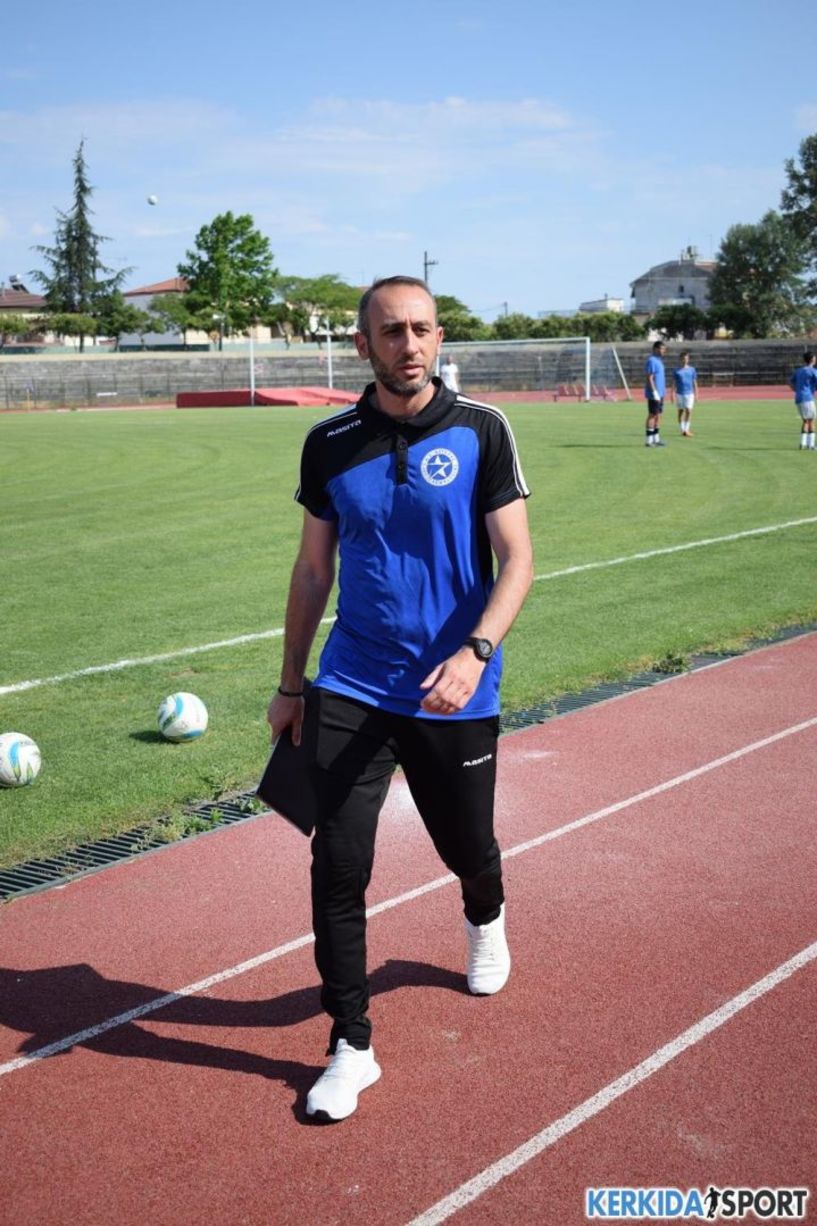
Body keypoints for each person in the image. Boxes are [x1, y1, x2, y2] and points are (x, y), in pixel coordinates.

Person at [267, 275, 533, 1122]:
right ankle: (350, 1045)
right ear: (362, 345)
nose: (408, 345)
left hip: (455, 688)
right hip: (352, 682)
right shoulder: (328, 442)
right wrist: (291, 684)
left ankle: (484, 913)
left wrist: (474, 651)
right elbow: (314, 569)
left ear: (438, 337)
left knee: (466, 845)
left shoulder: (482, 429)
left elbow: (517, 560)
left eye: (420, 329)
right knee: (337, 865)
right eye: (390, 331)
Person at [788, 350, 817, 450]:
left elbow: (790, 382)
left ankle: (802, 443)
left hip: (798, 398)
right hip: (807, 398)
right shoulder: (813, 371)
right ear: (812, 359)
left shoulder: (799, 370)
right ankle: (811, 445)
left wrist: (796, 390)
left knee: (805, 421)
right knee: (811, 420)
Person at [644, 340, 667, 446]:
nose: (664, 351)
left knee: (659, 415)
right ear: (655, 349)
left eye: (664, 349)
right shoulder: (652, 360)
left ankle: (656, 439)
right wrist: (654, 392)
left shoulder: (659, 361)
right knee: (652, 415)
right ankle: (649, 440)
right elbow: (649, 377)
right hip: (655, 394)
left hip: (661, 393)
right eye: (662, 349)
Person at [672, 350, 699, 437]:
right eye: (683, 359)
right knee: (681, 411)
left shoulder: (692, 370)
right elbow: (674, 383)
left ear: (688, 359)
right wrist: (672, 394)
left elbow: (694, 382)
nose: (685, 360)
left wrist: (697, 393)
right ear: (680, 359)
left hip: (690, 393)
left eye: (686, 358)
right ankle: (682, 429)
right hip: (679, 393)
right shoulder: (676, 370)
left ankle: (686, 429)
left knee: (689, 410)